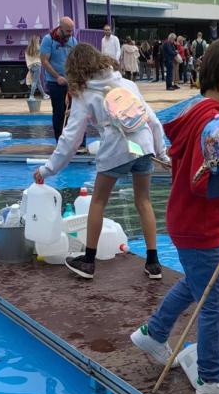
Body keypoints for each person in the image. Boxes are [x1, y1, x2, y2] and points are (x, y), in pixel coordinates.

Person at [129, 35, 219, 394]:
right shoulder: (213, 122)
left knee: (197, 283)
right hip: (200, 225)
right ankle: (211, 377)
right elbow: (201, 179)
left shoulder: (195, 113)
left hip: (187, 220)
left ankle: (154, 332)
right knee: (216, 299)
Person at [32, 43, 166, 281]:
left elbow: (71, 139)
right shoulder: (127, 83)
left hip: (116, 149)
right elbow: (153, 121)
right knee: (143, 201)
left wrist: (47, 169)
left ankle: (89, 261)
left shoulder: (85, 94)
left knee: (98, 202)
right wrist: (162, 153)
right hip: (143, 146)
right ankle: (153, 263)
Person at [41, 17, 84, 142]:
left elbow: (76, 60)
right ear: (60, 28)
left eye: (71, 30)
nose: (70, 34)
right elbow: (44, 61)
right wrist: (57, 76)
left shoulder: (73, 41)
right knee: (59, 112)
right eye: (68, 31)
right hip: (55, 82)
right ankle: (60, 141)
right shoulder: (48, 40)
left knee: (76, 111)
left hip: (71, 81)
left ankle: (77, 142)